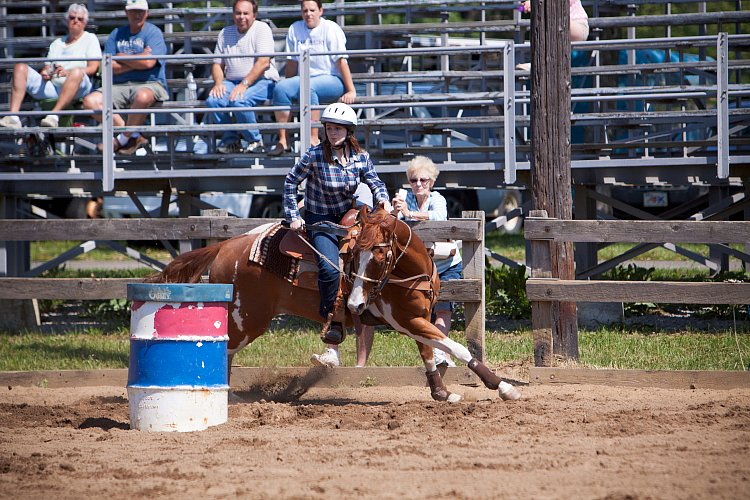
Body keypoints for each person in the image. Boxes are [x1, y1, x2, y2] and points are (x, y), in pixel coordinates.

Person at [283, 102, 390, 368]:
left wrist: (383, 200)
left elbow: (374, 181)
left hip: (349, 219)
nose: (332, 133)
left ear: (348, 131)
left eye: (338, 129)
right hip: (320, 221)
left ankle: (376, 309)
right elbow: (290, 182)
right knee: (330, 269)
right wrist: (294, 216)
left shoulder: (361, 157)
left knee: (368, 261)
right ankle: (332, 327)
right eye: (329, 128)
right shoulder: (314, 155)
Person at [390, 155, 463, 367]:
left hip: (445, 264)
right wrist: (396, 212)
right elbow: (395, 225)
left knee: (443, 308)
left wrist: (409, 213)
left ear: (431, 182)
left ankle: (442, 353)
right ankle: (440, 354)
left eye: (423, 180)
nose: (418, 184)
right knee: (424, 312)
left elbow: (439, 216)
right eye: (414, 180)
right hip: (420, 268)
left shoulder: (437, 198)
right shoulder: (406, 199)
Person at [267, 0, 356, 157]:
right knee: (281, 88)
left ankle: (312, 139)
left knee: (308, 88)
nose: (308, 14)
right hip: (304, 80)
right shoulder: (295, 28)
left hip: (331, 79)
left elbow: (341, 61)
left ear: (320, 11)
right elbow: (291, 63)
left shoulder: (331, 28)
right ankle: (283, 140)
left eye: (312, 10)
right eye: (305, 10)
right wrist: (289, 87)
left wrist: (351, 90)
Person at [82, 0, 168, 156]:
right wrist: (138, 58)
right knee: (89, 101)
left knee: (142, 96)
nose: (137, 14)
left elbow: (149, 63)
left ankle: (121, 139)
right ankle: (133, 136)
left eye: (141, 11)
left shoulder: (153, 32)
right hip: (119, 85)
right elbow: (108, 66)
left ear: (147, 13)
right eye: (133, 11)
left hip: (150, 83)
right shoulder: (116, 34)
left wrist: (122, 57)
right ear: (126, 12)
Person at [0, 4, 101, 130]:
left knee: (76, 72)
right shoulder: (56, 43)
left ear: (85, 23)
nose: (75, 21)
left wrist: (68, 73)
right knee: (20, 67)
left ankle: (54, 115)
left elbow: (93, 68)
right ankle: (13, 117)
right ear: (67, 20)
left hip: (79, 86)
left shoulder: (90, 39)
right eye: (72, 17)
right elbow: (47, 67)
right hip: (54, 85)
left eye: (80, 19)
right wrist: (46, 72)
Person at [207, 0, 278, 154]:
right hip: (232, 81)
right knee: (213, 100)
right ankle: (231, 140)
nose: (241, 17)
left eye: (246, 13)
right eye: (238, 13)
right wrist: (218, 83)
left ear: (254, 15)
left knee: (239, 99)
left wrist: (244, 84)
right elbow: (217, 64)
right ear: (233, 14)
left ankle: (255, 140)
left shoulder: (262, 29)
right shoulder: (225, 33)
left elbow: (264, 62)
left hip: (263, 81)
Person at [516, 0, 589, 71]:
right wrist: (524, 6)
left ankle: (540, 64)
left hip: (577, 25)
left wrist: (534, 3)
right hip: (559, 26)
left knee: (554, 20)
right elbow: (519, 8)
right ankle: (539, 63)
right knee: (545, 26)